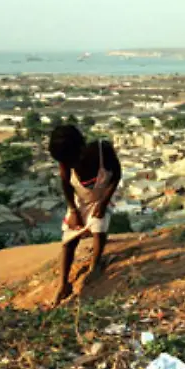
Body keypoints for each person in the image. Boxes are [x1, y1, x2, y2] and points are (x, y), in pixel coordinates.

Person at [48, 124, 122, 306]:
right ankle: (63, 283)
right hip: (79, 200)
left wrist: (103, 203)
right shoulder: (65, 160)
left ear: (81, 148)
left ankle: (95, 265)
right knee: (69, 239)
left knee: (99, 226)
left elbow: (117, 175)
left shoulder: (102, 151)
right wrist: (73, 210)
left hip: (101, 195)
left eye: (73, 159)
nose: (71, 164)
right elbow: (66, 185)